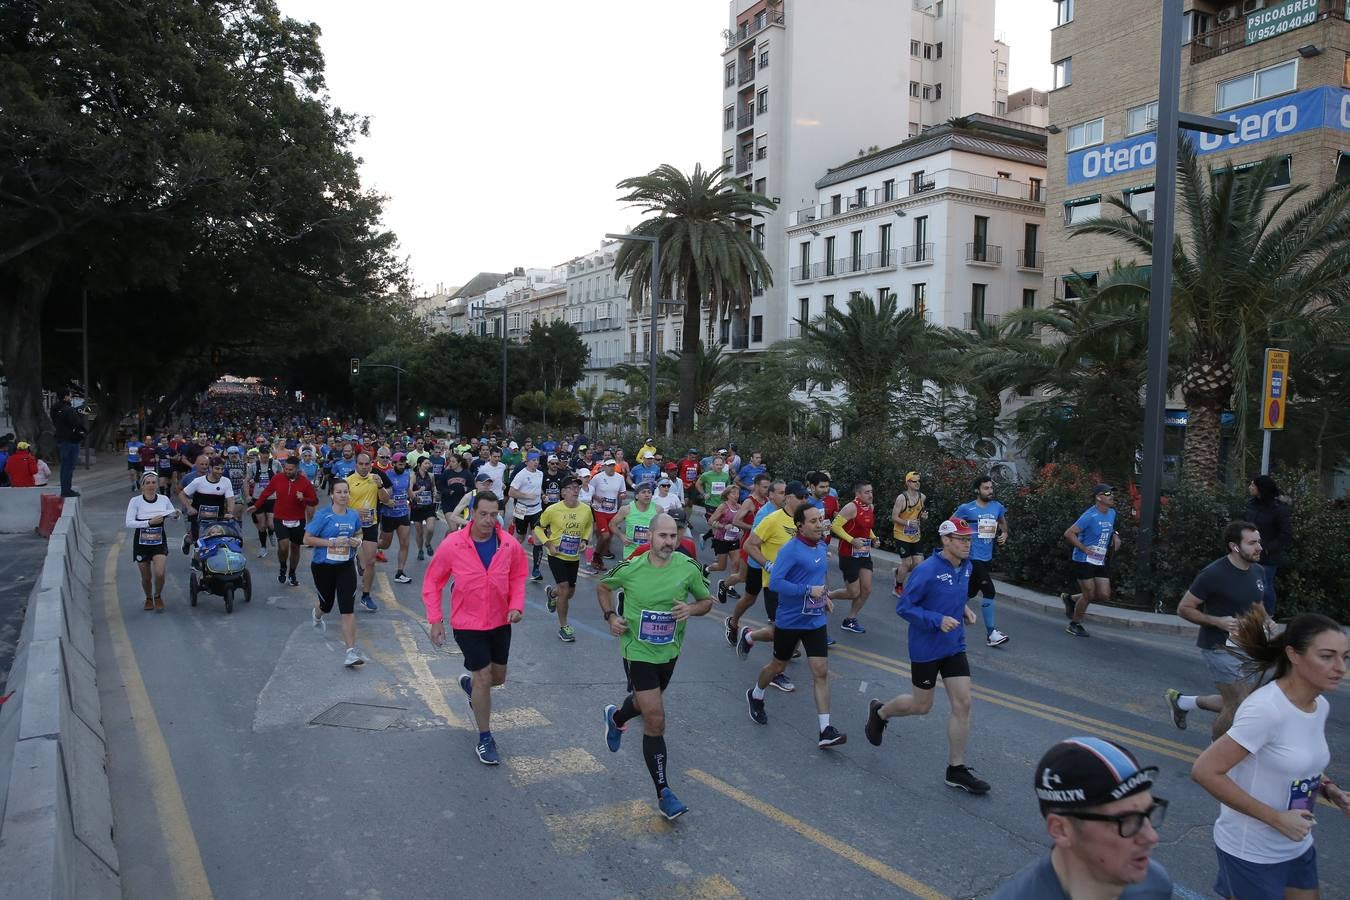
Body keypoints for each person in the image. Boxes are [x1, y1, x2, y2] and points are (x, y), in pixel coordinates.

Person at [1191, 608, 1349, 900]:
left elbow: (1297, 762)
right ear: (1294, 655)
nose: (1340, 667)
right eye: (1327, 656)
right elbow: (1204, 771)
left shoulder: (1319, 706)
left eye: (1345, 657)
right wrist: (1276, 818)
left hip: (1295, 844)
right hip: (1250, 852)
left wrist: (1329, 789)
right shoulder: (1265, 709)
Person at [864, 516, 990, 795]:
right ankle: (881, 712)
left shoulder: (966, 566)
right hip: (926, 647)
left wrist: (963, 610)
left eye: (969, 539)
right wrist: (937, 619)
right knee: (922, 706)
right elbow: (905, 608)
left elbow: (953, 597)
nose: (967, 544)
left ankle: (955, 769)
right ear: (946, 541)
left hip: (954, 645)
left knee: (963, 702)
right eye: (962, 539)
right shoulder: (927, 570)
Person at [599, 512, 712, 820]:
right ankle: (664, 792)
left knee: (644, 704)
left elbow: (706, 601)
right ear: (649, 537)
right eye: (662, 536)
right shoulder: (632, 568)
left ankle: (616, 717)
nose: (669, 542)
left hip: (668, 653)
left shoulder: (688, 568)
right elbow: (603, 586)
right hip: (637, 651)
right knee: (656, 719)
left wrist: (691, 608)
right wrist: (611, 617)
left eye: (673, 536)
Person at [422, 491, 528, 766]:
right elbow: (433, 582)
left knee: (497, 679)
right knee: (483, 678)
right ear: (472, 512)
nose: (489, 520)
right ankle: (485, 737)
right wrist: (435, 619)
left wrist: (516, 605)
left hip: (501, 621)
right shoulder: (454, 544)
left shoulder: (508, 545)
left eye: (494, 515)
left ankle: (471, 687)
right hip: (467, 623)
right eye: (483, 514)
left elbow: (518, 576)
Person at [993, 737, 1173, 899]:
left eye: (1148, 814)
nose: (1152, 838)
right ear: (1061, 830)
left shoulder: (1154, 885)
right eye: (1126, 820)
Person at [744, 502, 849, 748]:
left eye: (820, 520)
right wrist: (807, 591)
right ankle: (756, 693)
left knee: (820, 671)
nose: (819, 525)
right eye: (813, 521)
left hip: (814, 620)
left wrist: (824, 597)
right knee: (777, 665)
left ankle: (825, 730)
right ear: (799, 526)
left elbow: (819, 574)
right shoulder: (790, 550)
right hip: (790, 619)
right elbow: (777, 583)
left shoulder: (822, 546)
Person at [1165, 521, 1268, 740]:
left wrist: (1266, 619)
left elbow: (1256, 603)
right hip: (1219, 647)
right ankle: (1214, 757)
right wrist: (1217, 621)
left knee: (1246, 701)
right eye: (1252, 543)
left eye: (1259, 541)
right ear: (1235, 546)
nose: (1259, 547)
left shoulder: (1258, 570)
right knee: (1237, 704)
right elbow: (1184, 608)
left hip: (1249, 645)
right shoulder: (1213, 574)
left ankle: (1182, 702)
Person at [302, 480, 365, 668]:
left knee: (347, 608)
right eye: (339, 492)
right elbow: (307, 539)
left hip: (345, 565)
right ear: (332, 495)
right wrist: (331, 543)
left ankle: (350, 652)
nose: (343, 495)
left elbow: (360, 532)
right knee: (327, 604)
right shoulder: (323, 515)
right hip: (323, 566)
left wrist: (357, 541)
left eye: (346, 492)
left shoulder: (353, 515)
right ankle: (318, 614)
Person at [953, 475, 1011, 647]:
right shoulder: (967, 508)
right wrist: (962, 539)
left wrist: (1004, 534)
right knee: (989, 591)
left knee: (969, 593)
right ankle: (991, 633)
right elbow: (950, 524)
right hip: (972, 557)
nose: (990, 491)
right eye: (986, 488)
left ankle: (945, 611)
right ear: (977, 490)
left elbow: (1002, 522)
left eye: (991, 488)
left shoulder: (997, 507)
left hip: (986, 557)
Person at [535, 476, 594, 643]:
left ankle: (551, 593)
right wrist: (548, 544)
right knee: (564, 588)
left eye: (577, 487)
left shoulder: (585, 509)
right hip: (557, 555)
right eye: (571, 487)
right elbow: (538, 527)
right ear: (563, 492)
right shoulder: (553, 510)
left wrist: (584, 540)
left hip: (573, 556)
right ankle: (563, 627)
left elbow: (590, 525)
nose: (576, 490)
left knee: (569, 593)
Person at [1061, 484, 1121, 638]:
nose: (1111, 496)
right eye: (1107, 493)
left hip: (1099, 559)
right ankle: (1074, 624)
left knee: (1104, 594)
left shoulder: (1112, 513)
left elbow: (1110, 527)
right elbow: (1069, 533)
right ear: (1098, 497)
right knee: (1089, 594)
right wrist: (1084, 548)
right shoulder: (1089, 516)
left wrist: (1115, 535)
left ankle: (1071, 599)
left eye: (1112, 493)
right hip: (1083, 559)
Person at [251, 456, 317, 587]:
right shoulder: (277, 478)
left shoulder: (304, 482)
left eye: (290, 469)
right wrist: (256, 505)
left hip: (298, 520)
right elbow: (266, 493)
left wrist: (304, 498)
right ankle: (282, 567)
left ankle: (292, 573)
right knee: (283, 546)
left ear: (297, 469)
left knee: (295, 548)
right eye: (285, 468)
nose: (287, 471)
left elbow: (314, 501)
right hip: (280, 518)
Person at [126, 470, 180, 612]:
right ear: (142, 485)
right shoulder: (135, 501)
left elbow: (172, 517)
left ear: (157, 485)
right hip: (141, 542)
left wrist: (176, 516)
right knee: (146, 577)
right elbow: (129, 523)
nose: (151, 485)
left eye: (153, 482)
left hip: (159, 541)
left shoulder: (164, 500)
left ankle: (157, 596)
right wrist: (149, 523)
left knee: (160, 573)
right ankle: (148, 597)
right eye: (147, 483)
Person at [830, 481, 877, 635]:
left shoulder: (870, 507)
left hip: (863, 553)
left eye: (871, 492)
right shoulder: (851, 507)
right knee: (853, 593)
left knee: (867, 589)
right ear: (858, 494)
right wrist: (852, 540)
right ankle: (827, 596)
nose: (870, 495)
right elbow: (835, 526)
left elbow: (866, 528)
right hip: (848, 554)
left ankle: (850, 619)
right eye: (866, 492)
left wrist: (874, 538)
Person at [346, 453, 391, 612]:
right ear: (356, 465)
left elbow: (385, 500)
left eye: (367, 464)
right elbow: (338, 503)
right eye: (361, 464)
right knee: (346, 562)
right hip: (352, 526)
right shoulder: (348, 481)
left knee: (371, 562)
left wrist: (380, 486)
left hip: (370, 524)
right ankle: (346, 592)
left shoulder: (376, 478)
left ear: (371, 464)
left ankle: (366, 596)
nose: (364, 467)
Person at [1245, 475, 1291, 616]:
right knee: (1248, 585)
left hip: (1268, 556)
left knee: (1264, 586)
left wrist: (1267, 549)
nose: (1250, 487)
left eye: (1253, 485)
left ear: (1261, 488)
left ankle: (1268, 617)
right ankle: (1250, 615)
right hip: (1248, 553)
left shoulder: (1278, 509)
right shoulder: (1251, 504)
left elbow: (1286, 535)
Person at [507, 452, 545, 580]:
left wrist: (542, 495)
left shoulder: (540, 473)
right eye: (533, 460)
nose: (536, 462)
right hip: (522, 509)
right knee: (520, 538)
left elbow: (538, 488)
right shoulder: (521, 475)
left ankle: (536, 570)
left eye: (537, 460)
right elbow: (511, 492)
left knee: (538, 539)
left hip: (536, 510)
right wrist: (526, 496)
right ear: (527, 462)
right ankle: (508, 561)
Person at [378, 452, 415, 584]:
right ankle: (370, 549)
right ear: (393, 464)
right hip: (388, 514)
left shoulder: (407, 474)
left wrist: (415, 496)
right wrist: (387, 502)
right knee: (385, 544)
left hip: (403, 513)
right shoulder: (386, 475)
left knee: (405, 543)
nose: (402, 466)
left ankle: (400, 572)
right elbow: (379, 494)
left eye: (404, 464)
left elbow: (407, 491)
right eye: (400, 464)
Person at [891, 472, 928, 591]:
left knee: (919, 563)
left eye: (919, 481)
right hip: (901, 534)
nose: (918, 483)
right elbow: (894, 517)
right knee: (906, 563)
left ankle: (898, 571)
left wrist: (923, 517)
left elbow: (918, 514)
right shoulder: (902, 498)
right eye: (914, 481)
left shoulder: (922, 497)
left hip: (915, 534)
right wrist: (907, 523)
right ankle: (898, 587)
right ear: (907, 483)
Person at [587, 458, 626, 568]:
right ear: (604, 466)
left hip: (613, 511)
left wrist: (622, 495)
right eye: (609, 465)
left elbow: (622, 492)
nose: (612, 467)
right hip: (600, 510)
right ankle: (595, 557)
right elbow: (589, 490)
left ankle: (600, 559)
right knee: (605, 535)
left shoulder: (619, 478)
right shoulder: (598, 477)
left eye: (613, 465)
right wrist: (596, 497)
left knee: (609, 538)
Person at [49, 388, 86, 497]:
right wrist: (80, 415)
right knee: (69, 466)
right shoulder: (68, 409)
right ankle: (66, 490)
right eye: (69, 395)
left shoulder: (55, 409)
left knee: (65, 466)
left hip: (61, 440)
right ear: (66, 397)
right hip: (71, 441)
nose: (70, 397)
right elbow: (77, 423)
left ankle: (65, 489)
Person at [610, 482, 660, 560]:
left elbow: (663, 529)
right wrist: (622, 536)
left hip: (650, 551)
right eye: (643, 492)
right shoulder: (626, 509)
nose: (647, 495)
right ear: (636, 496)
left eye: (649, 492)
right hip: (631, 550)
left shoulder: (658, 509)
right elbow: (612, 524)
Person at [410, 456, 439, 560]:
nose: (428, 465)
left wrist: (435, 493)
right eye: (426, 463)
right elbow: (410, 492)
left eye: (429, 463)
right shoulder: (413, 476)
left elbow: (433, 487)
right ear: (419, 465)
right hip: (417, 507)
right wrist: (417, 494)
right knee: (419, 532)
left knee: (430, 528)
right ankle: (420, 550)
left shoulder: (431, 475)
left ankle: (427, 543)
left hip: (429, 506)